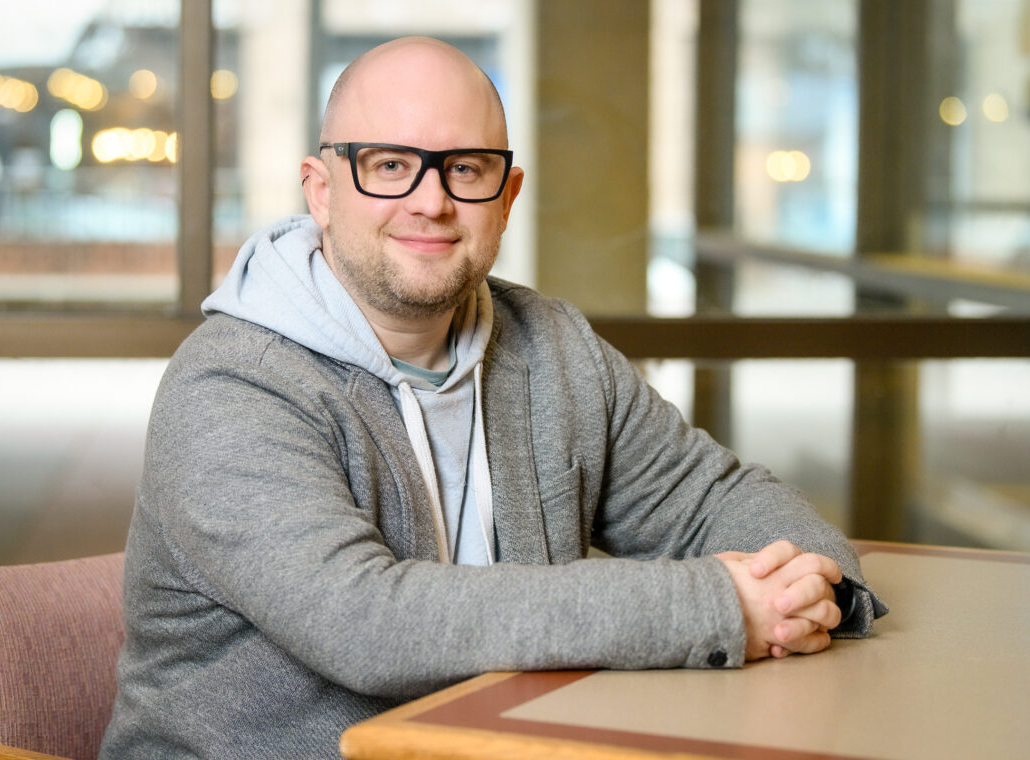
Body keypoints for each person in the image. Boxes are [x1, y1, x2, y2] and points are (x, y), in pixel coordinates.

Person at [100, 36, 886, 760]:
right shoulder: (234, 384)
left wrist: (809, 586)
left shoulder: (555, 349)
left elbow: (716, 498)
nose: (431, 201)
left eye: (466, 169)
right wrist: (718, 608)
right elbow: (368, 625)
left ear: (507, 197)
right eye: (389, 165)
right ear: (322, 190)